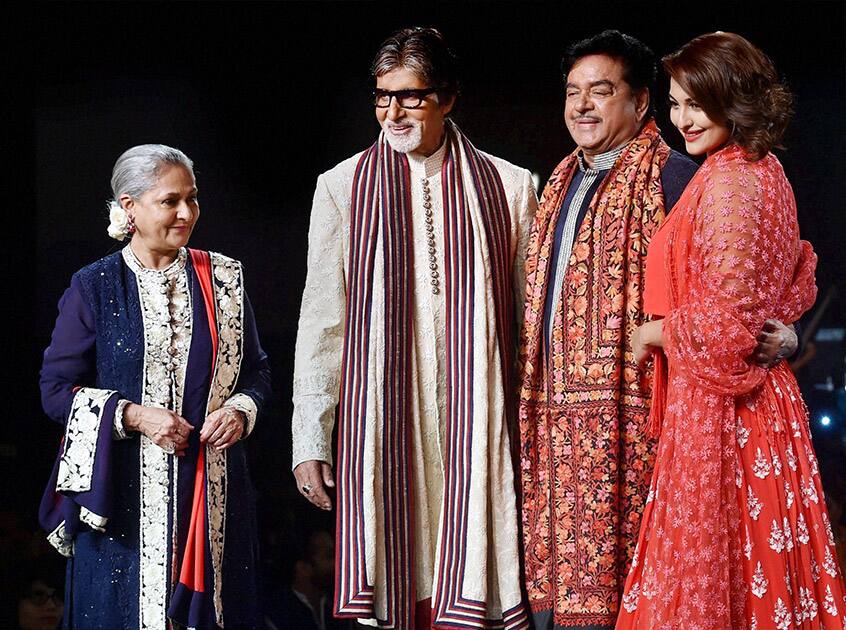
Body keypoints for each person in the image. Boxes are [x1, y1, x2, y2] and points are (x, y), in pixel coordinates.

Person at [518, 30, 798, 629]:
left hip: (646, 423)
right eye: (572, 93)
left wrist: (780, 334)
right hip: (557, 433)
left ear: (638, 102)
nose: (582, 106)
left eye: (601, 91)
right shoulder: (559, 184)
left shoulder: (678, 176)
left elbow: (749, 280)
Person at [292, 27, 537, 629]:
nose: (393, 112)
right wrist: (309, 440)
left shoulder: (510, 186)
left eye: (410, 97)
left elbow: (531, 324)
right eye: (382, 97)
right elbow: (323, 322)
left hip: (478, 420)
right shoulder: (342, 187)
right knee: (396, 583)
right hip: (384, 418)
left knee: (479, 573)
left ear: (448, 98)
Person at [616, 32, 846, 628]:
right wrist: (784, 332)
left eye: (697, 103)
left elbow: (726, 322)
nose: (682, 119)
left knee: (716, 586)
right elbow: (789, 280)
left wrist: (652, 335)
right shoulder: (761, 170)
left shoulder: (729, 183)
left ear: (734, 100)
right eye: (674, 103)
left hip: (724, 413)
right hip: (763, 407)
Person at [38, 145, 271, 628]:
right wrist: (135, 415)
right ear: (130, 207)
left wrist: (241, 410)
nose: (186, 212)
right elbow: (55, 389)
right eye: (170, 201)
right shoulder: (94, 287)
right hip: (121, 509)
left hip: (213, 495)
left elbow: (257, 372)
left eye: (192, 198)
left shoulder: (225, 278)